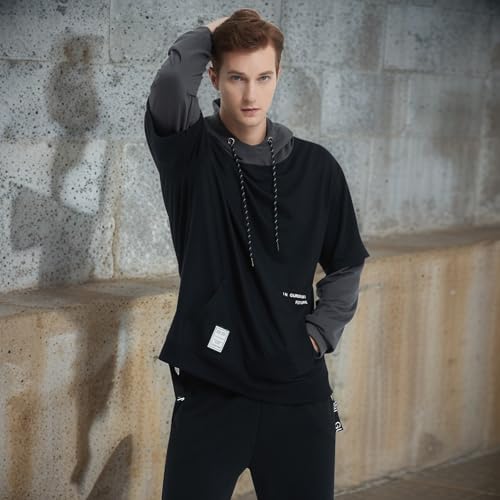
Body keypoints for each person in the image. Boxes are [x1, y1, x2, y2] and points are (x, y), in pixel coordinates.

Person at [144, 8, 370, 500]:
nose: (251, 95)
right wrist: (211, 29)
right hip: (211, 389)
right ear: (214, 77)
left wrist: (317, 337)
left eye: (263, 77)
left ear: (278, 76)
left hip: (298, 391)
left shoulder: (318, 168)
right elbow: (170, 85)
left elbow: (347, 262)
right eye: (237, 78)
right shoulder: (189, 154)